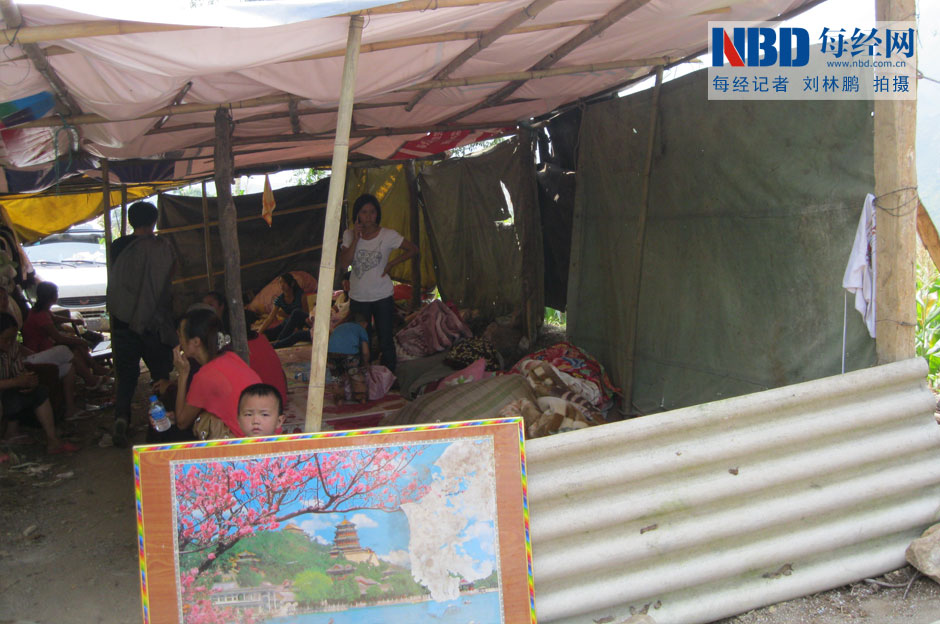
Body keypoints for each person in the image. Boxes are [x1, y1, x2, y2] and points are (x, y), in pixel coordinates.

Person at [107, 200, 176, 447]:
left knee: (126, 375)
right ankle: (161, 423)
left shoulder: (118, 246)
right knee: (160, 373)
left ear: (130, 221)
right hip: (151, 322)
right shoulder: (162, 248)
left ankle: (122, 418)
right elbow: (163, 286)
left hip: (122, 320)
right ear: (154, 221)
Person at [338, 194, 418, 373]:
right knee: (361, 339)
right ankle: (364, 376)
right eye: (364, 212)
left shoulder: (388, 235)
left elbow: (413, 249)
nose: (368, 216)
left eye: (372, 212)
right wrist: (356, 239)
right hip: (358, 297)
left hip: (382, 296)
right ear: (357, 215)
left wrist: (391, 264)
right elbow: (344, 263)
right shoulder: (349, 235)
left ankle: (389, 376)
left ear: (377, 214)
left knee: (385, 339)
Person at [172, 308, 261, 439]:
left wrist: (182, 374)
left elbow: (182, 422)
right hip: (264, 434)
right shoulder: (230, 357)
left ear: (196, 342)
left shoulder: (204, 376)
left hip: (247, 443)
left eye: (180, 336)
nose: (179, 341)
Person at [0, 312, 78, 454]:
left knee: (40, 392)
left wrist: (28, 382)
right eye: (6, 339)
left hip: (9, 393)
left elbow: (19, 371)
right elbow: (13, 380)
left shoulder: (13, 348)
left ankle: (52, 440)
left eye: (13, 338)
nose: (10, 342)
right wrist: (15, 382)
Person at [22, 281, 107, 391]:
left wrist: (72, 321)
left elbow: (54, 318)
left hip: (45, 346)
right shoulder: (40, 315)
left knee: (77, 346)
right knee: (73, 350)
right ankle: (91, 376)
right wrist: (79, 341)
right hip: (38, 351)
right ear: (51, 296)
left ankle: (94, 371)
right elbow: (58, 338)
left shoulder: (41, 310)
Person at [326, 313, 370, 403]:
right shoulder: (360, 329)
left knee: (336, 377)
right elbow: (365, 352)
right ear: (364, 323)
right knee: (355, 375)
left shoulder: (339, 327)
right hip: (349, 355)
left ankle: (339, 399)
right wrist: (365, 363)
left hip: (331, 354)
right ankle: (361, 397)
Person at [257, 273, 308, 344]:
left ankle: (279, 341)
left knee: (295, 313)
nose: (282, 285)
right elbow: (270, 318)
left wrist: (302, 328)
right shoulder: (279, 299)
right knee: (264, 334)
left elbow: (305, 314)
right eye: (280, 282)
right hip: (286, 324)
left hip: (298, 325)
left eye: (284, 282)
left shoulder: (300, 295)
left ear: (292, 283)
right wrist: (259, 332)